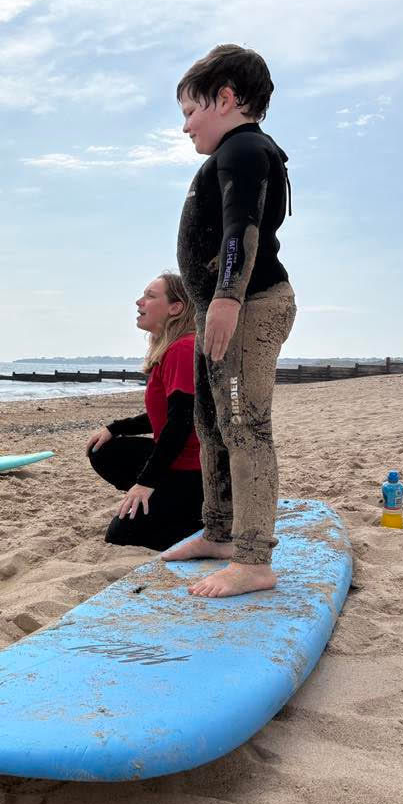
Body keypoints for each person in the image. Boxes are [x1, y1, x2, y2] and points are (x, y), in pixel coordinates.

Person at [164, 44, 298, 597]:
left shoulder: (245, 150)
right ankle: (219, 531)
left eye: (191, 112)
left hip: (247, 304)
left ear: (226, 98)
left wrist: (225, 299)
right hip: (219, 307)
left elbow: (242, 230)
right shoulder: (227, 153)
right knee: (211, 422)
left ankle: (252, 559)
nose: (186, 126)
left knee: (244, 425)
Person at [86, 272, 203, 551]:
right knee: (104, 450)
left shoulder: (184, 349)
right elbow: (162, 415)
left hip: (192, 471)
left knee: (120, 535)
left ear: (176, 308)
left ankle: (188, 516)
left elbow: (181, 422)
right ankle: (162, 503)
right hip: (177, 463)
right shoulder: (172, 349)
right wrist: (115, 428)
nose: (139, 302)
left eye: (150, 296)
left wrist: (146, 483)